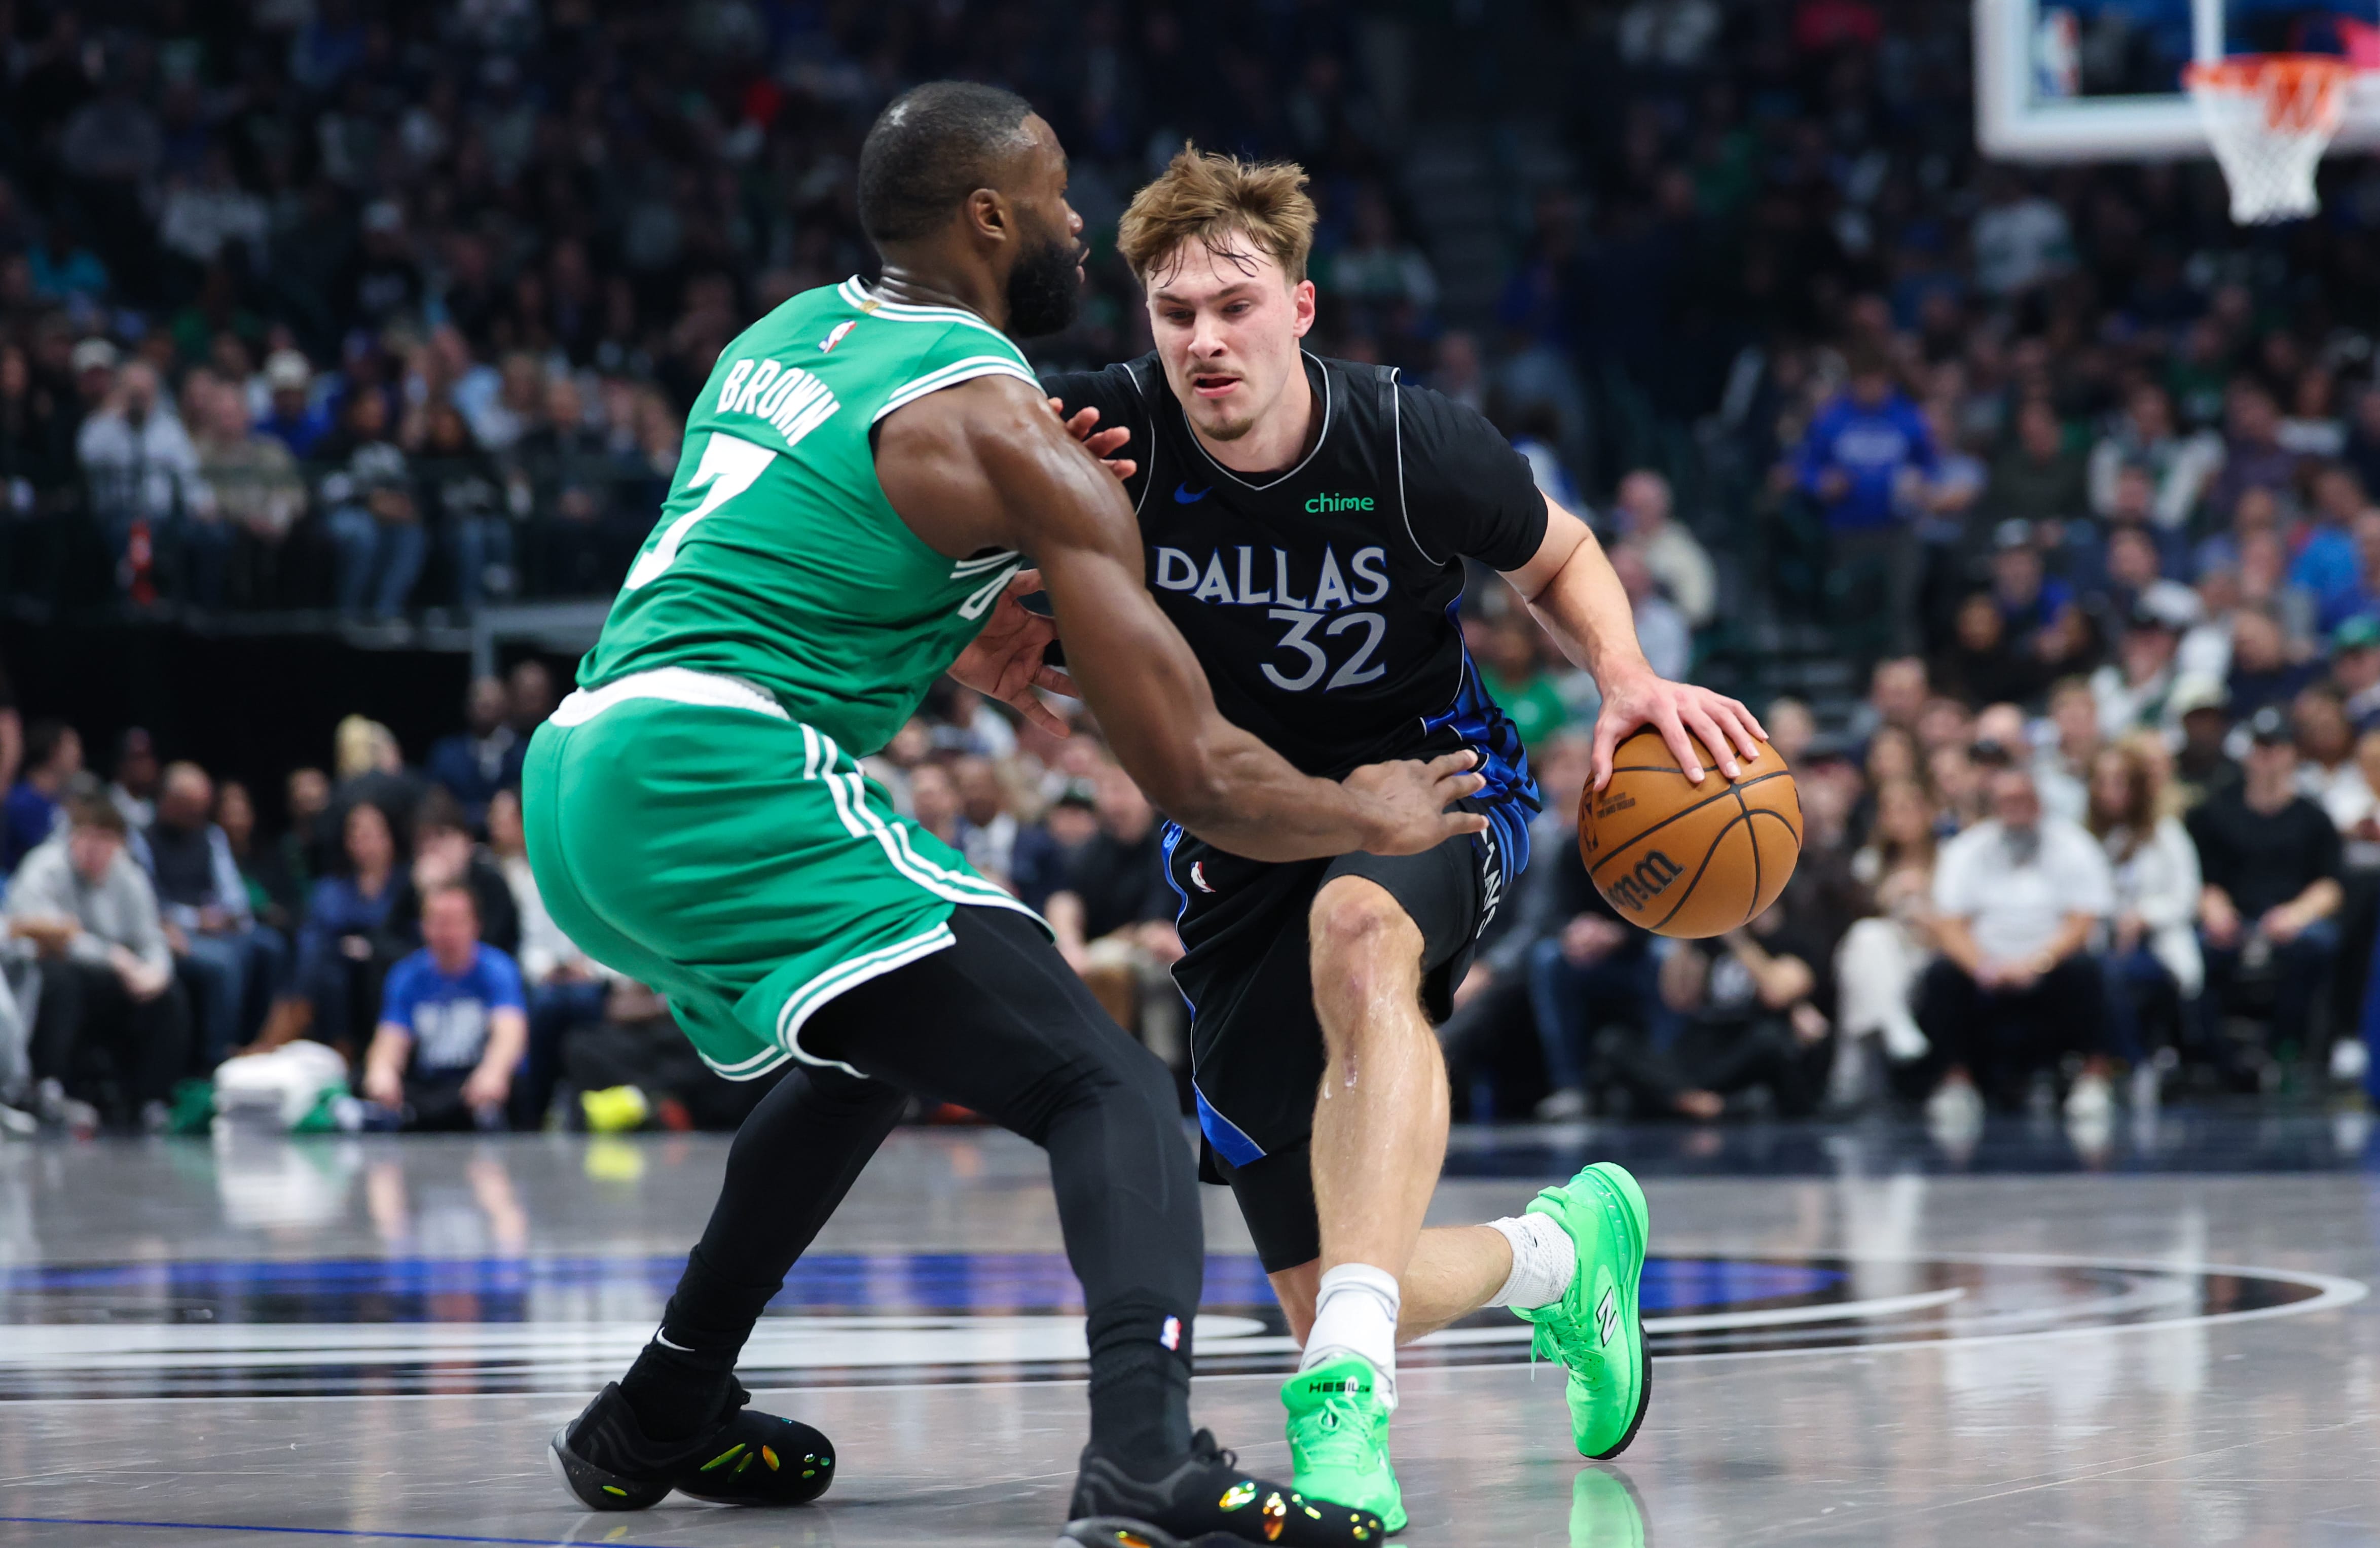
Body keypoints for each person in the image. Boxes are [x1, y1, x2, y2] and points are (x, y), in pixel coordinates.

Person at [522, 84, 1481, 1546]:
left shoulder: (783, 338)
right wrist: (1365, 804)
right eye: (1051, 201)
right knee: (1102, 1087)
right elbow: (1196, 776)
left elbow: (810, 569)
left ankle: (664, 1399)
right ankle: (1143, 1461)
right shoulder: (999, 424)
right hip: (712, 766)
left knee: (861, 1054)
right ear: (986, 219)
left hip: (581, 769)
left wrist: (976, 602)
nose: (1075, 226)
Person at [1042, 144, 1765, 1525]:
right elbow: (917, 541)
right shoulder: (1101, 438)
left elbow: (1554, 552)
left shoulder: (1402, 437)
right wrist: (977, 645)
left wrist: (1622, 675)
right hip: (1234, 840)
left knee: (1359, 926)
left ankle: (1346, 1403)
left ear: (1298, 309)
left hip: (1432, 787)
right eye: (1174, 312)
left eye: (1233, 304)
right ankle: (1559, 1253)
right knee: (1325, 1291)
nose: (1204, 339)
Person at [1920, 766, 2114, 1124]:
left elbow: (2082, 921)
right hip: (1985, 968)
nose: (2015, 808)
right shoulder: (1967, 848)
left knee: (2090, 969)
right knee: (1939, 974)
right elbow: (1948, 924)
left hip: (2051, 965)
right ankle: (1955, 1082)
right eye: (2006, 801)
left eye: (2022, 799)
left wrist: (2037, 963)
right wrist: (1983, 966)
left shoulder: (2073, 844)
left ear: (2038, 802)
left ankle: (2093, 1079)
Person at [6, 791, 189, 1131]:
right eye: (88, 836)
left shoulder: (128, 876)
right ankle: (49, 1085)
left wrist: (156, 972)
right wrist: (115, 957)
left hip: (111, 978)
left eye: (106, 839)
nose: (95, 848)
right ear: (72, 835)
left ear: (119, 843)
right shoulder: (45, 866)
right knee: (62, 980)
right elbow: (52, 935)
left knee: (167, 994)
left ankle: (152, 1099)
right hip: (51, 973)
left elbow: (150, 938)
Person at [2186, 706, 2344, 1087]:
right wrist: (2215, 909)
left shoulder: (2312, 817)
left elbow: (2330, 884)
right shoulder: (2215, 812)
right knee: (2191, 954)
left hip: (2291, 919)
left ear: (2291, 754)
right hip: (2234, 917)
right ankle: (2213, 1058)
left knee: (2316, 947)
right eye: (2260, 749)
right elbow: (2199, 878)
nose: (2268, 759)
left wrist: (2297, 914)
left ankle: (2290, 1049)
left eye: (2276, 748)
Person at [2084, 740, 2202, 1104]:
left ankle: (2134, 1063)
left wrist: (2143, 915)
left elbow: (2185, 897)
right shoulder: (2083, 840)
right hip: (2096, 941)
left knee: (2117, 976)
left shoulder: (2165, 834)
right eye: (2102, 782)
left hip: (2156, 945)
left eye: (2120, 781)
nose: (2111, 791)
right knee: (2090, 974)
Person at [359, 883, 527, 1131]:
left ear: (476, 926)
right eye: (438, 922)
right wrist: (382, 1072)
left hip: (478, 1086)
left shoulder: (497, 970)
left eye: (455, 922)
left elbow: (510, 1031)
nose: (446, 933)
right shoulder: (407, 975)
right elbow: (391, 1037)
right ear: (423, 927)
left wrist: (494, 1072)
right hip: (429, 1085)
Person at [144, 760, 280, 1066]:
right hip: (172, 932)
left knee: (269, 946)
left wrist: (229, 915)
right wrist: (194, 920)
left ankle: (253, 1044)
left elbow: (233, 895)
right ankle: (216, 1060)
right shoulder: (142, 837)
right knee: (224, 963)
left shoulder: (210, 836)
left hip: (219, 926)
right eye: (191, 807)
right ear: (170, 802)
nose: (199, 815)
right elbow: (148, 903)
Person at [425, 676, 523, 832]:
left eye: (492, 705)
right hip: (458, 835)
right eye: (481, 704)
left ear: (506, 707)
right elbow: (437, 799)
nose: (486, 711)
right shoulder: (447, 754)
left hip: (511, 836)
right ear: (468, 708)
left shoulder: (522, 754)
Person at [6, 719, 81, 872]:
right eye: (73, 746)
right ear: (54, 751)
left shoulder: (64, 801)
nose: (79, 754)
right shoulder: (21, 803)